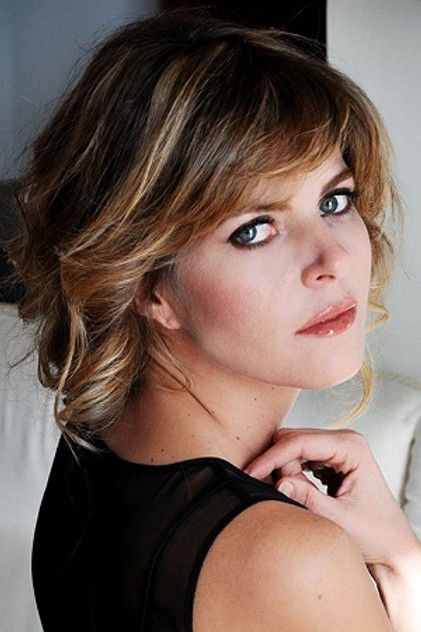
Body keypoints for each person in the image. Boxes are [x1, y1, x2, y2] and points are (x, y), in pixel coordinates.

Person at [4, 8, 420, 632]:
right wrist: (403, 566)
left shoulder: (95, 447)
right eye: (254, 230)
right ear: (147, 284)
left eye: (335, 200)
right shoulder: (290, 560)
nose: (332, 260)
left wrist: (395, 557)